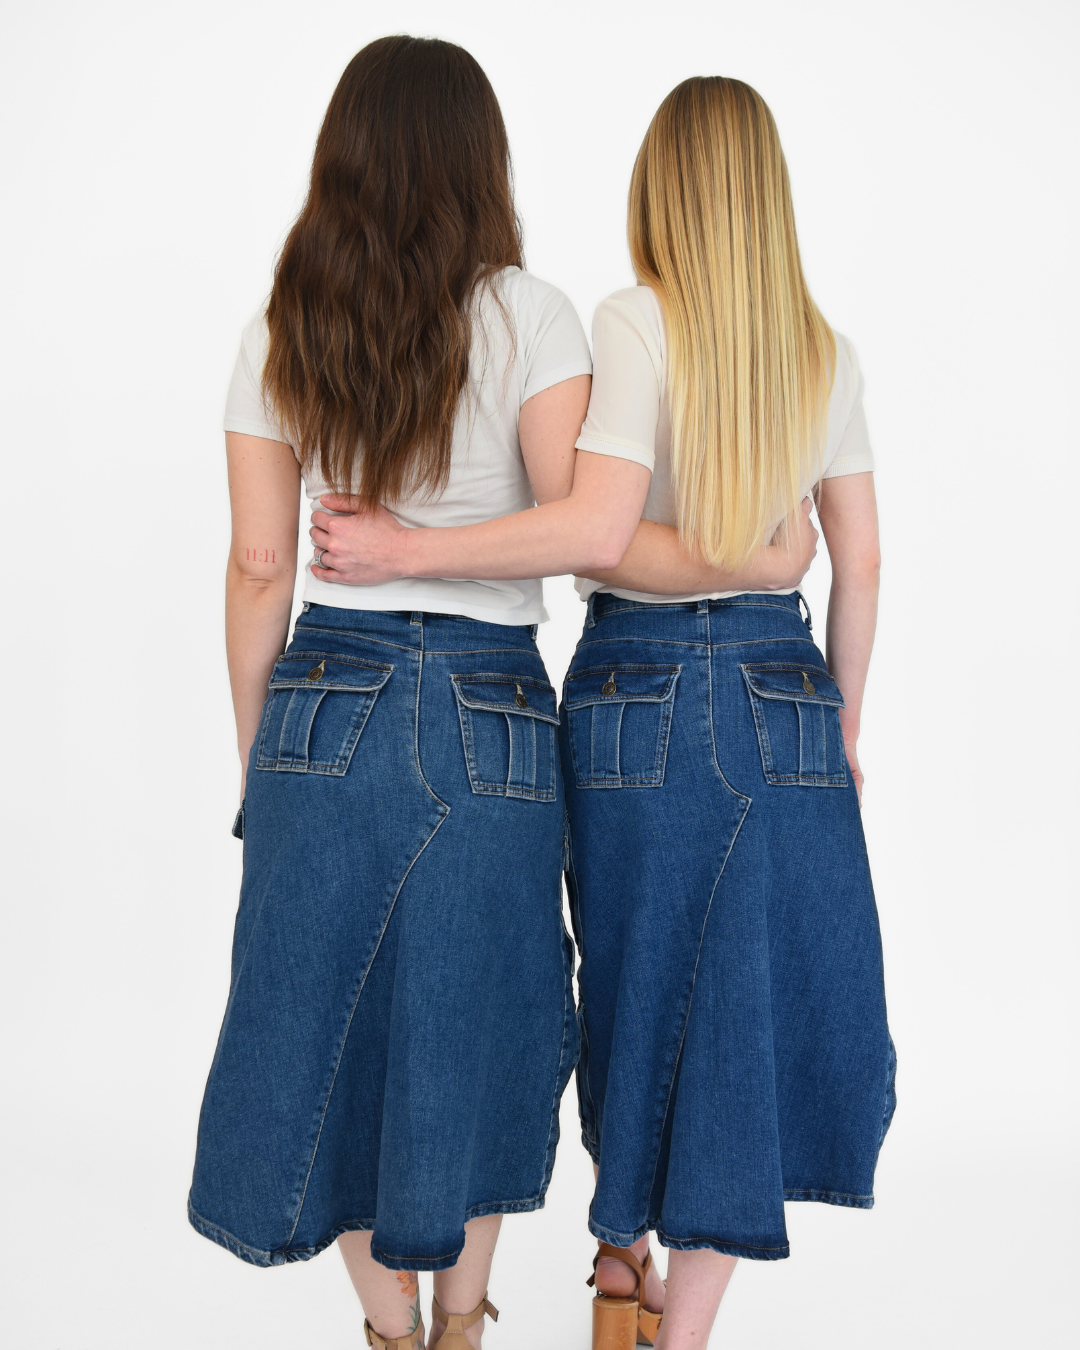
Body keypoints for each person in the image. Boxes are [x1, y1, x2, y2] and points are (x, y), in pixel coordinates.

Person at [307, 76, 893, 1350]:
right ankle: (667, 1326)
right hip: (786, 693)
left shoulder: (633, 322)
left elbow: (602, 536)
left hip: (636, 693)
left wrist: (409, 550)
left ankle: (617, 1252)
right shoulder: (825, 350)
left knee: (628, 991)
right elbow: (854, 558)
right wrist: (838, 714)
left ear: (658, 192)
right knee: (742, 1016)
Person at [188, 36, 599, 1350]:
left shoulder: (284, 324)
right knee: (482, 1020)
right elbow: (579, 529)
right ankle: (463, 1326)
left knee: (332, 1023)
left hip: (324, 696)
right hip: (492, 709)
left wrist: (263, 755)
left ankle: (390, 1334)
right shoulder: (534, 315)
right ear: (483, 159)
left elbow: (261, 565)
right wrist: (446, 555)